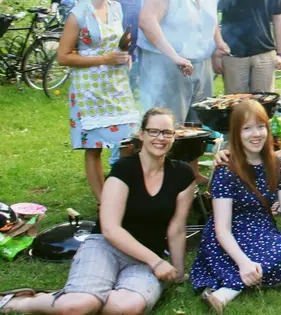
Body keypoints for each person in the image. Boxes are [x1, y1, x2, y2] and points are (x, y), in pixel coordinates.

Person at [0, 108, 195, 315]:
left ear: (175, 137)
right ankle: (24, 302)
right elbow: (111, 229)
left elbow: (177, 228)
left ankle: (90, 294)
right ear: (141, 134)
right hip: (106, 246)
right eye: (153, 131)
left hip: (146, 255)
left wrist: (178, 271)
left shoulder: (182, 174)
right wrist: (157, 263)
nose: (160, 138)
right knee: (75, 307)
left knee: (125, 308)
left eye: (167, 133)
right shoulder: (124, 169)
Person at [191, 101, 281, 312]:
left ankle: (232, 286)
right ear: (236, 133)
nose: (255, 134)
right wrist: (243, 262)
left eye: (260, 126)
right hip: (229, 233)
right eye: (247, 128)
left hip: (262, 230)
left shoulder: (277, 164)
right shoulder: (227, 169)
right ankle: (229, 291)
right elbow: (222, 228)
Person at [56, 0, 140, 203]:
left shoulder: (116, 8)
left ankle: (125, 194)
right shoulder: (78, 15)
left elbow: (116, 44)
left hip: (116, 85)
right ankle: (104, 201)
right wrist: (105, 58)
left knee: (128, 142)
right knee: (93, 147)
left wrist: (124, 57)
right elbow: (63, 56)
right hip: (89, 89)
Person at [138, 0, 229, 124]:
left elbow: (208, 18)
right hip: (166, 65)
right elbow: (147, 21)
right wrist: (174, 57)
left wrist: (218, 43)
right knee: (168, 127)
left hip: (201, 65)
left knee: (200, 125)